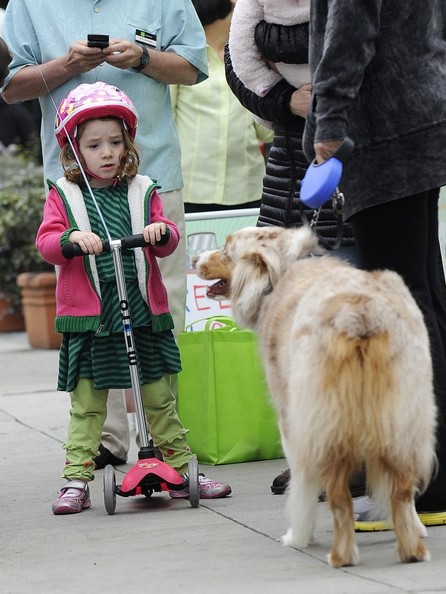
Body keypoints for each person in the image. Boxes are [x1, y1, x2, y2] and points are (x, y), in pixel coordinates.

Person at [1, 0, 208, 469]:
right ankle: (105, 439)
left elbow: (195, 67)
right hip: (73, 187)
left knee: (162, 306)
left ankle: (168, 437)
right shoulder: (29, 4)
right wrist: (67, 65)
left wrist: (141, 58)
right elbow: (10, 86)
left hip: (152, 175)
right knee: (92, 308)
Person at [36, 82, 232, 514]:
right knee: (88, 404)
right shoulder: (64, 194)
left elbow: (166, 237)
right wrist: (71, 238)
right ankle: (76, 479)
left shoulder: (143, 188)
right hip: (92, 319)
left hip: (141, 312)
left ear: (128, 143)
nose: (106, 153)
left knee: (159, 396)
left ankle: (181, 469)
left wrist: (161, 233)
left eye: (114, 142)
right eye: (94, 145)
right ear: (75, 151)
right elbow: (47, 242)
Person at [303, 0, 446, 528]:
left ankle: (418, 488)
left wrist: (329, 123)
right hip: (421, 115)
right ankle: (434, 484)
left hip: (379, 132)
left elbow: (349, 33)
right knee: (425, 295)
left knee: (403, 311)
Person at [225, 0, 360, 496]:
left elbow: (353, 44)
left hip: (349, 151)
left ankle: (353, 456)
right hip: (289, 164)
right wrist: (287, 101)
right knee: (290, 324)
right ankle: (308, 453)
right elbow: (239, 68)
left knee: (346, 321)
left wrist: (326, 100)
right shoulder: (251, 8)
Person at [171, 0, 272, 213]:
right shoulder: (181, 59)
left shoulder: (250, 57)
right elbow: (164, 121)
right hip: (192, 190)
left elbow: (266, 131)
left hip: (247, 189)